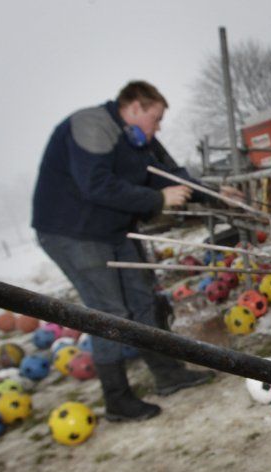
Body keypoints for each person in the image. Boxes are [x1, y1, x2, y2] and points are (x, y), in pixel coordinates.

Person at [32, 80, 216, 422]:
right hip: (71, 232)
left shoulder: (139, 140)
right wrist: (158, 200)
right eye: (156, 118)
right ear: (134, 107)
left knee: (143, 300)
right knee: (109, 312)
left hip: (111, 229)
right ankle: (117, 401)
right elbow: (96, 184)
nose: (158, 127)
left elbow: (167, 175)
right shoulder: (92, 125)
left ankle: (168, 375)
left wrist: (216, 193)